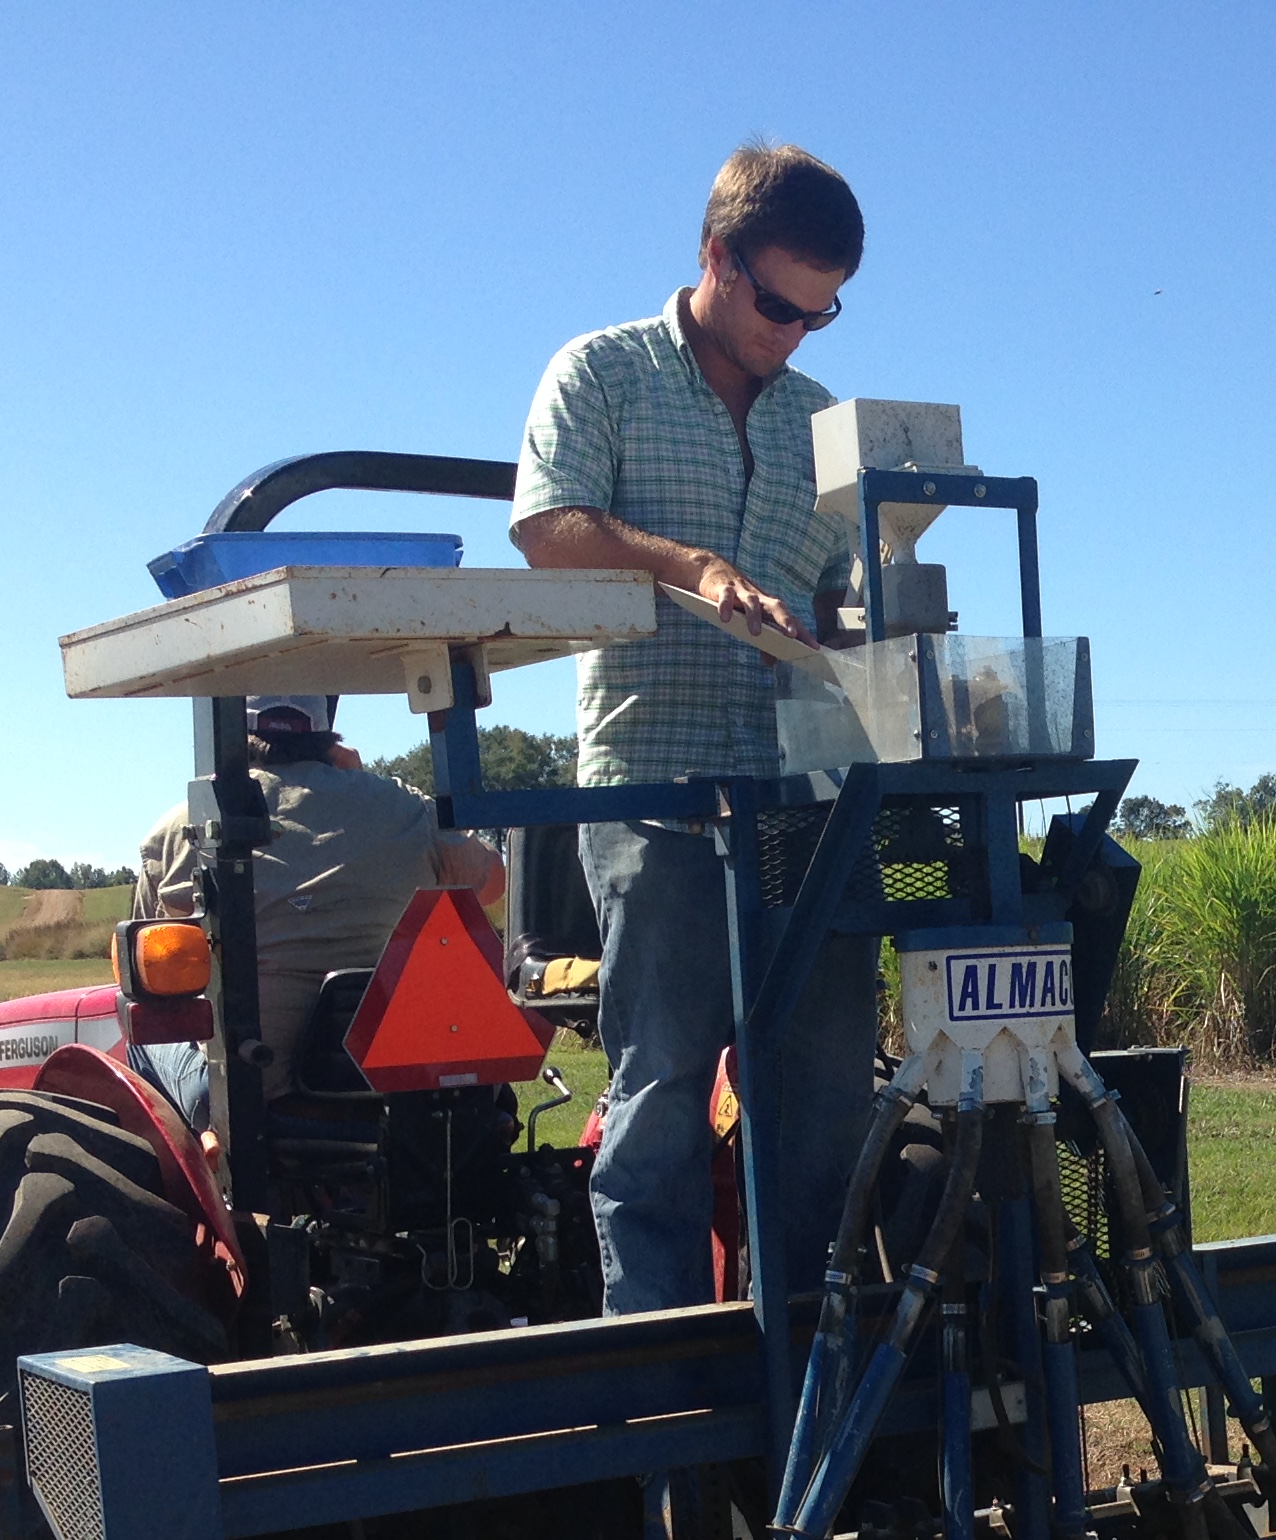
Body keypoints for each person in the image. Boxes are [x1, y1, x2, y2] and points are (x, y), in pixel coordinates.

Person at [511, 142, 882, 1317]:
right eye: (777, 303)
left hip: (795, 804)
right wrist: (690, 567)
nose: (794, 333)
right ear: (714, 255)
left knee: (821, 1097)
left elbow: (843, 592)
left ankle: (807, 1370)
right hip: (653, 790)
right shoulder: (603, 373)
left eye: (821, 315)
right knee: (662, 1090)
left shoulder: (824, 422)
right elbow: (545, 529)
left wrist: (876, 625)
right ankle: (659, 1380)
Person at [131, 694, 506, 1121]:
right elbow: (493, 883)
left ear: (235, 732)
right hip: (395, 1074)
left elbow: (146, 967)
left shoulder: (179, 828)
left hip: (256, 1085)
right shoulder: (404, 806)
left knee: (141, 1037)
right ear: (327, 733)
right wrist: (359, 783)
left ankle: (209, 1150)